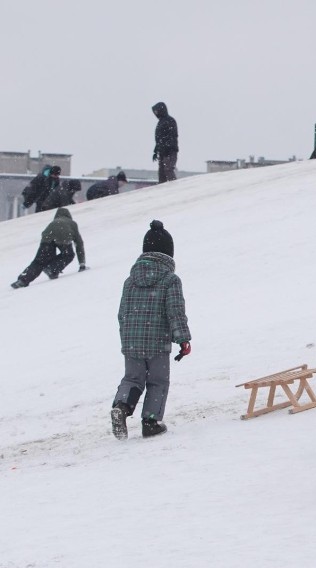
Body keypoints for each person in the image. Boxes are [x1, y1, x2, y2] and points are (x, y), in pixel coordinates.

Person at [110, 220, 191, 440]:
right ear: (168, 254)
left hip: (132, 341)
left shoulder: (130, 281)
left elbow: (121, 313)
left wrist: (126, 337)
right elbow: (175, 311)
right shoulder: (169, 279)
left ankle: (122, 406)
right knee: (157, 381)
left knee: (132, 379)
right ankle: (151, 421)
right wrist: (183, 339)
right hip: (157, 341)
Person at [11, 207, 86, 289]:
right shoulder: (72, 223)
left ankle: (22, 280)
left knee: (39, 261)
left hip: (47, 237)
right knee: (68, 255)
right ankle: (52, 269)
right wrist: (82, 264)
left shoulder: (54, 222)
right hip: (63, 235)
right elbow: (79, 243)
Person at [152, 102, 179, 183]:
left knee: (168, 170)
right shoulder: (160, 122)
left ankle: (174, 187)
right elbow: (159, 139)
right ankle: (162, 192)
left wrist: (168, 148)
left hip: (170, 151)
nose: (155, 114)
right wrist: (156, 151)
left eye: (156, 111)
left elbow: (172, 136)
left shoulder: (170, 120)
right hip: (162, 152)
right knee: (162, 174)